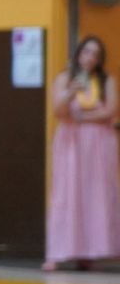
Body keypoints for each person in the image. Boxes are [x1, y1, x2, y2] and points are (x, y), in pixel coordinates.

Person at [43, 35, 120, 271]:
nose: (90, 58)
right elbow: (59, 111)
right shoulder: (65, 78)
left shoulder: (106, 80)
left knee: (94, 195)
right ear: (78, 54)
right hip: (71, 144)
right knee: (67, 194)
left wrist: (81, 118)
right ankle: (56, 254)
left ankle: (87, 254)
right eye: (87, 52)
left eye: (96, 54)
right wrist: (70, 93)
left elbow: (110, 111)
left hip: (99, 145)